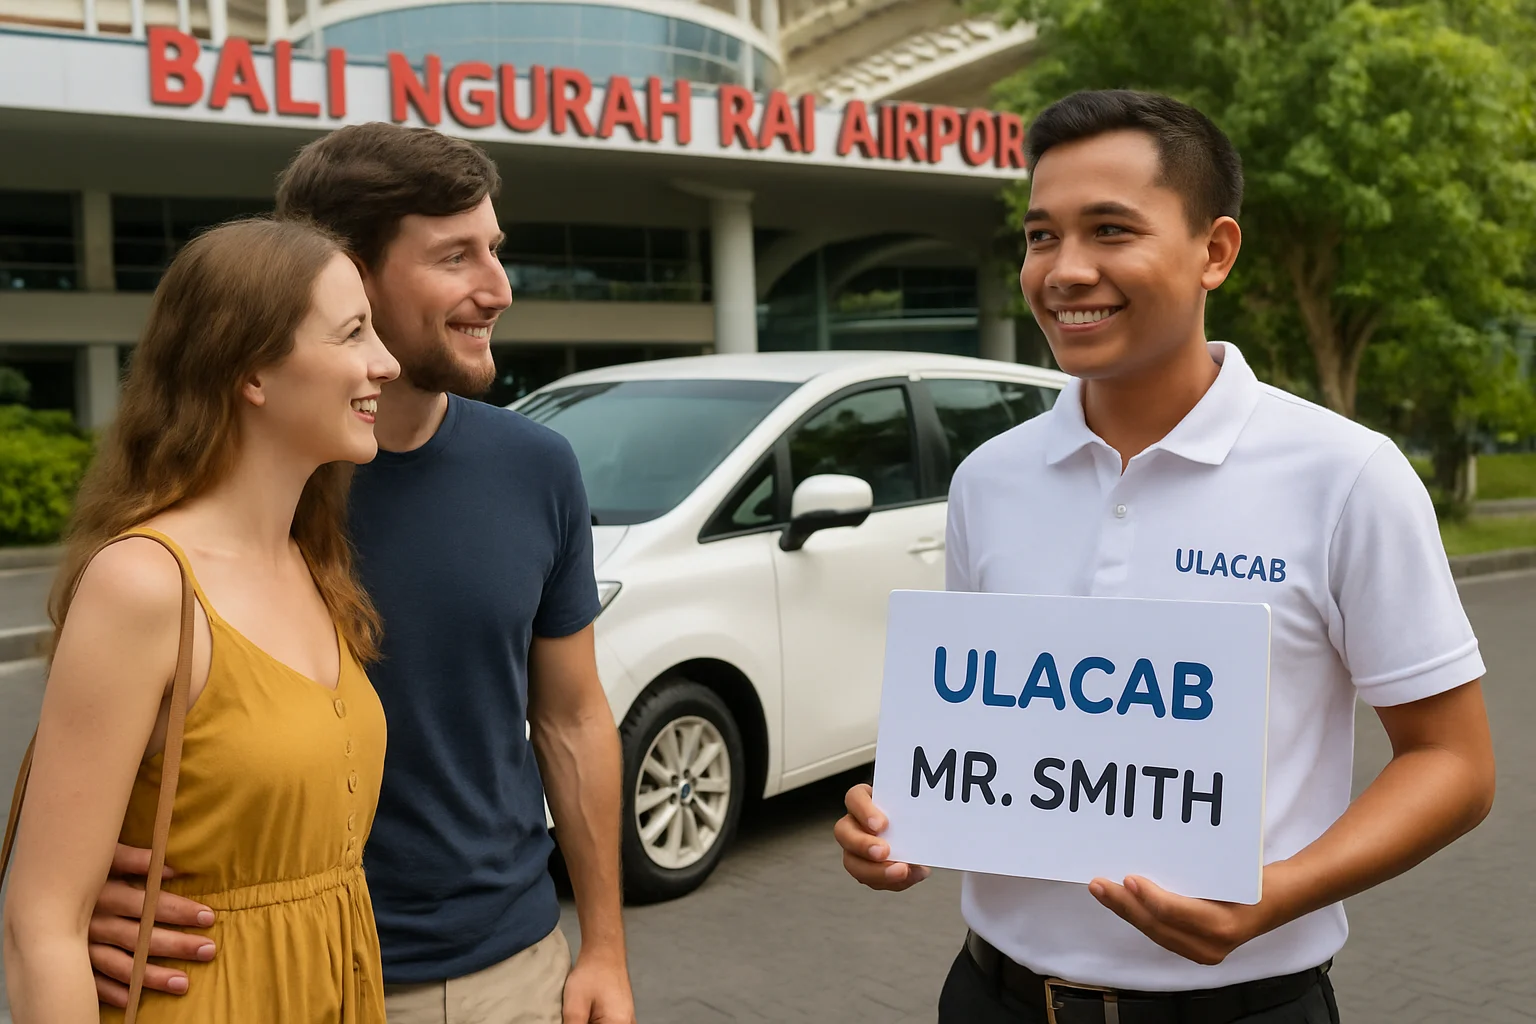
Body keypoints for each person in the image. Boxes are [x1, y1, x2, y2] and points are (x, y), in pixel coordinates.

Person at [835, 89, 1497, 1023]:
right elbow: (996, 744)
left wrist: (1276, 893)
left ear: (1214, 252)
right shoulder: (990, 479)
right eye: (1040, 236)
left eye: (1110, 230)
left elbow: (1454, 764)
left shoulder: (1347, 476)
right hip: (995, 996)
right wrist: (898, 826)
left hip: (1245, 1006)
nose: (1065, 271)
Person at [83, 125, 636, 1024]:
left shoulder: (538, 466)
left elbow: (571, 717)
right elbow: (89, 760)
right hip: (267, 978)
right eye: (454, 255)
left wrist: (604, 947)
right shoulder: (244, 494)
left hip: (508, 973)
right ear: (343, 271)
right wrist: (78, 900)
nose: (498, 289)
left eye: (495, 250)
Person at [3, 217, 401, 1022]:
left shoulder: (311, 563)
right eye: (354, 331)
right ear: (252, 372)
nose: (384, 361)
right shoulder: (146, 585)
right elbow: (41, 926)